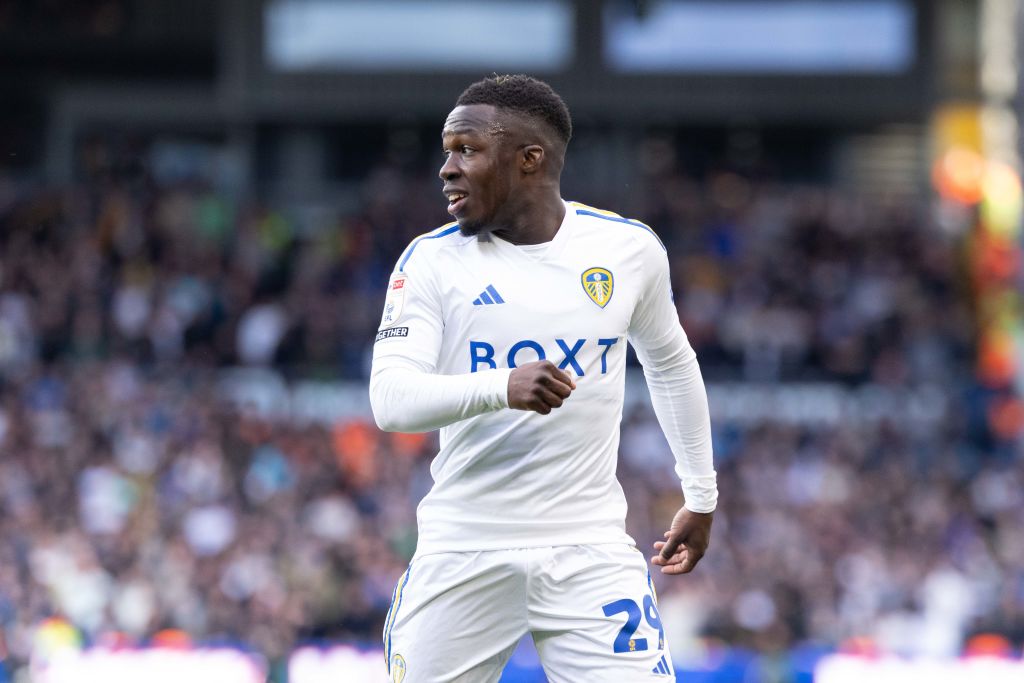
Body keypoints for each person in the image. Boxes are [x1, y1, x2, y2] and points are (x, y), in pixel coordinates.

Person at [370, 74, 717, 683]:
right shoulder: (431, 261)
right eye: (447, 151)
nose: (447, 168)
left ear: (530, 159)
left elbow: (670, 363)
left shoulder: (627, 251)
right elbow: (391, 400)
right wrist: (502, 387)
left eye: (467, 150)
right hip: (464, 547)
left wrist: (701, 493)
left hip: (589, 549)